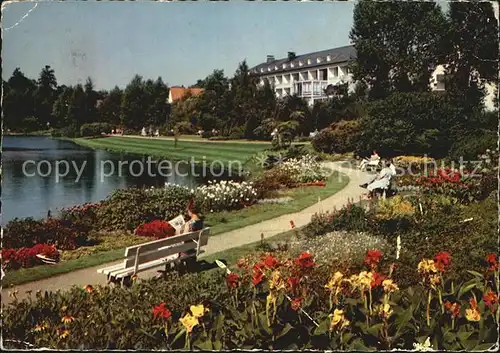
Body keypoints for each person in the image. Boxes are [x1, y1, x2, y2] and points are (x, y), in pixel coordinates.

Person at [179, 200, 204, 268]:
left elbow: (183, 237)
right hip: (193, 246)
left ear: (190, 211)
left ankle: (178, 267)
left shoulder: (189, 224)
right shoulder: (201, 221)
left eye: (188, 210)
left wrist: (180, 229)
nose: (187, 212)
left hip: (186, 250)